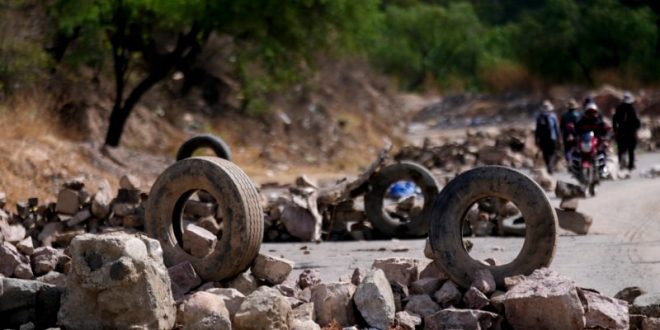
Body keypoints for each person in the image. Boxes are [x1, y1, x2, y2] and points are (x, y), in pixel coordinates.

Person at [612, 92, 641, 170]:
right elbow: (637, 122)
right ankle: (629, 165)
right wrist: (636, 130)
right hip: (628, 132)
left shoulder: (620, 108)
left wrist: (615, 130)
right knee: (630, 149)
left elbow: (614, 120)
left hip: (623, 132)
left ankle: (623, 164)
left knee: (622, 149)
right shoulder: (632, 109)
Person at [535, 100, 562, 174]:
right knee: (553, 153)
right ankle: (551, 166)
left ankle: (549, 166)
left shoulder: (539, 117)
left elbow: (537, 130)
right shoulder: (553, 116)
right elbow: (557, 128)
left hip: (542, 139)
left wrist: (536, 139)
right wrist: (559, 138)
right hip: (552, 137)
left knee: (545, 153)